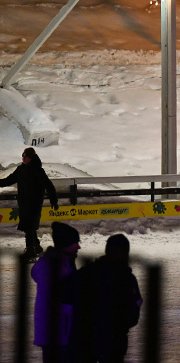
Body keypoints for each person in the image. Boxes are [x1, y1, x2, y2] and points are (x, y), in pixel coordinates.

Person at [73, 233, 143, 363]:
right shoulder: (126, 277)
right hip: (115, 339)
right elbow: (134, 309)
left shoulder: (89, 272)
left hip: (89, 338)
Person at [31, 222, 80, 363]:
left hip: (55, 335)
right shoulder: (56, 268)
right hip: (58, 335)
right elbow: (65, 304)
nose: (78, 246)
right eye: (75, 243)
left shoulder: (59, 263)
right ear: (65, 245)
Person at [0, 147, 59, 258]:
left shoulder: (38, 170)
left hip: (34, 203)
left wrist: (54, 201)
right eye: (22, 155)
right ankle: (36, 246)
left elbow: (49, 186)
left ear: (30, 158)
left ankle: (30, 251)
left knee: (29, 226)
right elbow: (8, 180)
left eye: (25, 156)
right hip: (23, 202)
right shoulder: (20, 170)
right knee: (29, 226)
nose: (23, 158)